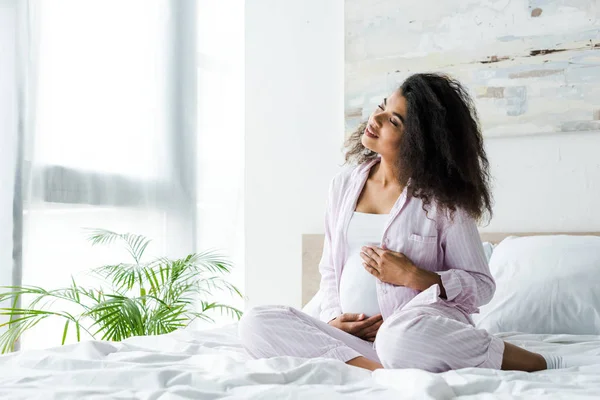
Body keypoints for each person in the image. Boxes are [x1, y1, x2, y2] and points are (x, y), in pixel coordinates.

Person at [238, 73, 593, 372]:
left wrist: (414, 277)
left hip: (418, 333)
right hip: (357, 341)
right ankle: (376, 371)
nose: (374, 120)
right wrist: (334, 319)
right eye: (381, 107)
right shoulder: (344, 185)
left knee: (398, 335)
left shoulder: (443, 199)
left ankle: (535, 362)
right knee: (256, 322)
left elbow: (481, 287)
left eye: (393, 120)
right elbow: (330, 270)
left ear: (420, 141)